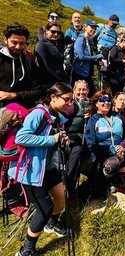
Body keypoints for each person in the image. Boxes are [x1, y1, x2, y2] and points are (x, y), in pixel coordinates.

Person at [9, 83, 73, 256]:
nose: (69, 103)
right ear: (53, 97)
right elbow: (22, 138)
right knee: (44, 209)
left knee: (62, 196)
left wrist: (61, 140)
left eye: (71, 100)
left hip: (46, 166)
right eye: (66, 99)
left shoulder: (57, 115)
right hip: (29, 171)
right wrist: (52, 140)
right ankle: (26, 251)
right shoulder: (39, 113)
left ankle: (51, 224)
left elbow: (53, 137)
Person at [85, 90, 125, 196]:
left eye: (109, 100)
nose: (106, 102)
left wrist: (123, 146)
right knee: (113, 165)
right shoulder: (93, 120)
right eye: (103, 100)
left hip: (121, 153)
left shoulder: (118, 117)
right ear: (96, 103)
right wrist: (112, 149)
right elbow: (91, 144)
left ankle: (112, 182)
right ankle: (100, 183)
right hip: (103, 155)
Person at [0, 23, 46, 108]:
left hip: (24, 112)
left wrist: (14, 95)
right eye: (14, 42)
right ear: (5, 39)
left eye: (22, 43)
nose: (18, 47)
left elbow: (40, 90)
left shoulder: (28, 63)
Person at [62, 80, 90, 199]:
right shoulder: (69, 103)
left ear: (88, 91)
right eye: (79, 89)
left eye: (84, 89)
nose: (81, 92)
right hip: (66, 136)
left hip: (80, 139)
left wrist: (90, 117)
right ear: (74, 90)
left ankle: (70, 188)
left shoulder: (90, 104)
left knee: (76, 156)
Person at [71, 19, 103, 96]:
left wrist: (96, 62)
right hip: (78, 73)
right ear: (85, 27)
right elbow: (81, 57)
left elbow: (87, 59)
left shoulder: (88, 41)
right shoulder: (80, 39)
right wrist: (96, 56)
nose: (94, 30)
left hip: (86, 74)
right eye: (91, 27)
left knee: (92, 95)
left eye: (95, 28)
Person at [34, 22, 69, 87]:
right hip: (48, 82)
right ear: (47, 31)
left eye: (58, 33)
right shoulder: (41, 44)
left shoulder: (60, 45)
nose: (56, 34)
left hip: (61, 80)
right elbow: (44, 66)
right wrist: (59, 81)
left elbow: (61, 66)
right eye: (53, 32)